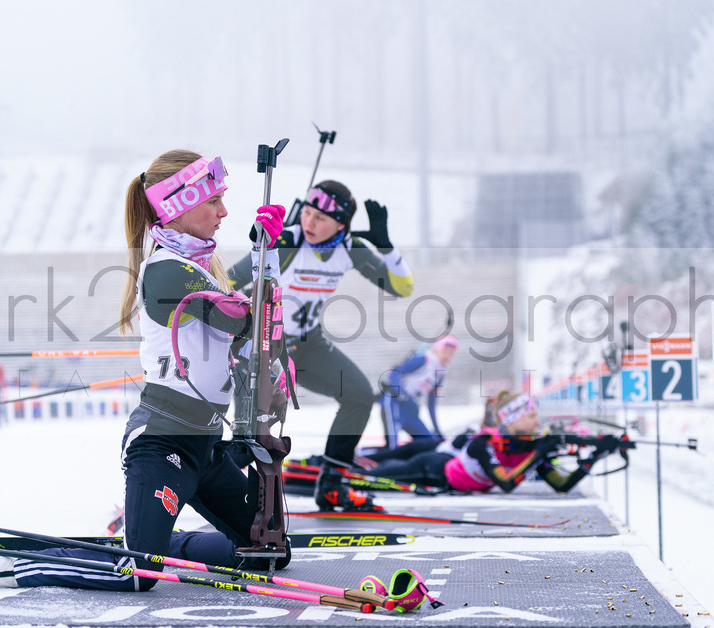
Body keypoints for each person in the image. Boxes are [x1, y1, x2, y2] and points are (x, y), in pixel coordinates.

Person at [0, 149, 291, 592]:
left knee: (268, 554)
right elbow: (244, 320)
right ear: (179, 205)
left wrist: (267, 254)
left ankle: (161, 543)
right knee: (136, 576)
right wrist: (262, 265)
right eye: (214, 202)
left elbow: (265, 331)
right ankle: (13, 567)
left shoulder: (202, 269)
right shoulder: (167, 272)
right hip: (163, 441)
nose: (223, 212)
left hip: (205, 446)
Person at [231, 180, 413, 511]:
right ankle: (226, 491)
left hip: (307, 344)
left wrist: (386, 247)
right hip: (267, 342)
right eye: (308, 214)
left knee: (358, 395)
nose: (310, 224)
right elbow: (228, 281)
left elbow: (403, 288)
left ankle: (331, 485)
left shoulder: (349, 248)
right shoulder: (287, 240)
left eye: (321, 219)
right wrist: (263, 252)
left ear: (341, 225)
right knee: (253, 422)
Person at [354, 391, 626, 495]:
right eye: (531, 415)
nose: (536, 421)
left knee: (383, 470)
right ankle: (339, 473)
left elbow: (562, 485)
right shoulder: (484, 441)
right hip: (434, 469)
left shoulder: (530, 449)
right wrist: (537, 454)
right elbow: (506, 482)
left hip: (445, 480)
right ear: (514, 419)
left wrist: (594, 457)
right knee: (371, 478)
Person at [377, 335, 458, 451]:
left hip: (409, 409)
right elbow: (394, 374)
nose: (448, 355)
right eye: (445, 350)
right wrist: (403, 395)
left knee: (430, 443)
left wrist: (438, 431)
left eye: (452, 353)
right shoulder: (423, 359)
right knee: (392, 446)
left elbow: (431, 405)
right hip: (393, 402)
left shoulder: (440, 374)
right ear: (437, 349)